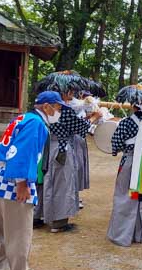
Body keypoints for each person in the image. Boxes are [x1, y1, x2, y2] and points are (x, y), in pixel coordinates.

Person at [0, 91, 64, 270]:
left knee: (3, 234)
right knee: (19, 236)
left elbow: (3, 150)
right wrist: (22, 183)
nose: (59, 112)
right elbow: (24, 152)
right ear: (47, 106)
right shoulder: (36, 123)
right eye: (58, 108)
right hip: (15, 185)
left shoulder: (21, 118)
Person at [35, 90, 100, 233]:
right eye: (70, 90)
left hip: (47, 148)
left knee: (45, 182)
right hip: (62, 150)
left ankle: (38, 215)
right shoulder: (64, 111)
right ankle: (59, 222)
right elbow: (81, 127)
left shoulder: (42, 113)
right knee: (62, 184)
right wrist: (95, 117)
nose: (73, 94)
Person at [107, 106, 142, 246]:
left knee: (125, 196)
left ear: (133, 106)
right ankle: (139, 234)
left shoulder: (126, 122)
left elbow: (116, 143)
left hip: (129, 162)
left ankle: (122, 235)